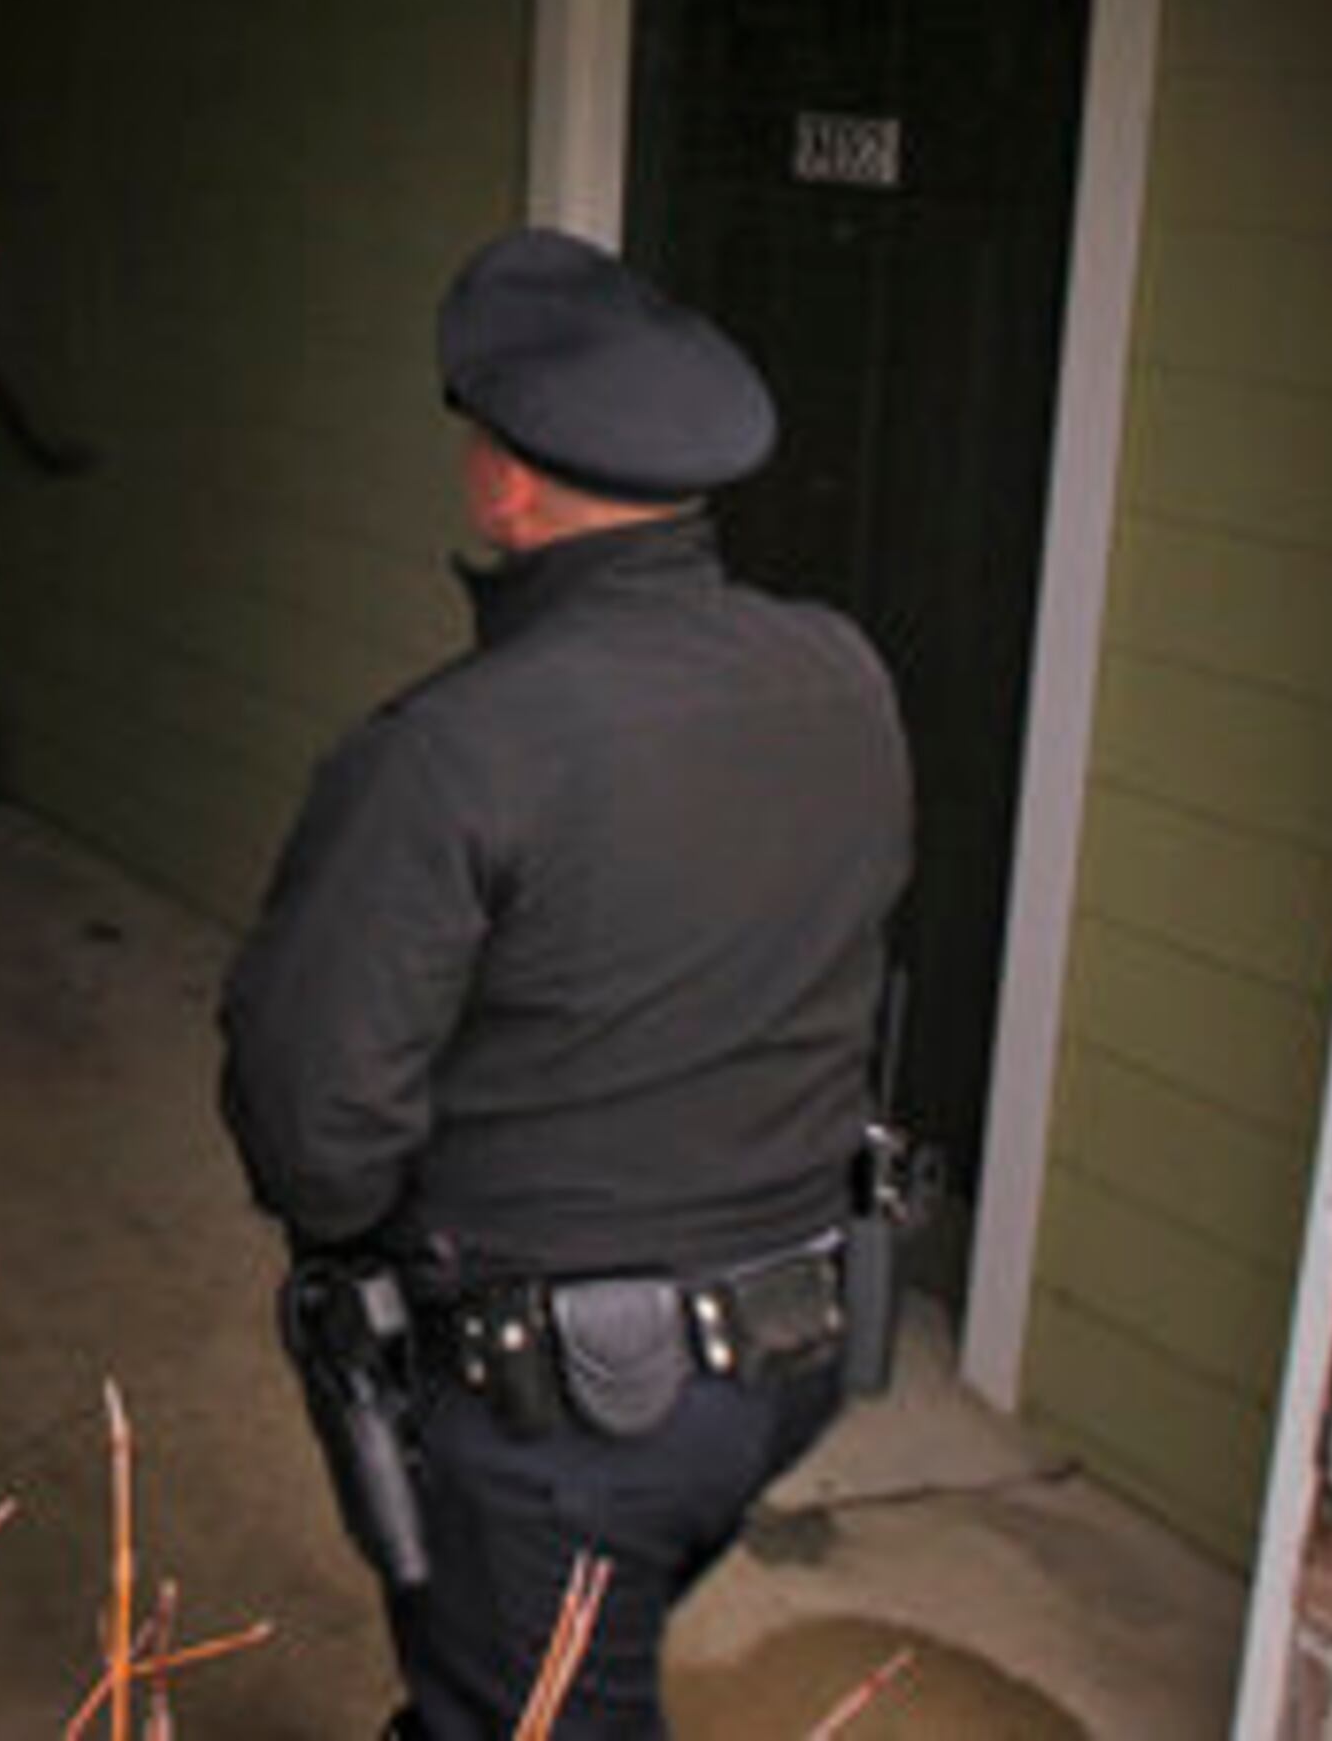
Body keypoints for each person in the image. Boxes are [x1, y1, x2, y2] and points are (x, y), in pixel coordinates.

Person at [219, 226, 913, 1740]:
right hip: (791, 1352)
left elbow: (312, 1130)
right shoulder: (844, 672)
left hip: (570, 1420)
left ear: (506, 479)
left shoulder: (451, 752)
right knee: (518, 1679)